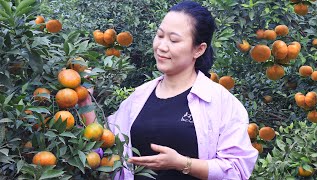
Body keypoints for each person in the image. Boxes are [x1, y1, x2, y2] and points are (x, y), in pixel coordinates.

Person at [83, 1, 258, 179]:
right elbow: (106, 144)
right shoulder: (139, 97)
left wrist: (182, 163)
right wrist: (85, 100)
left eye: (173, 40)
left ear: (199, 49)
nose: (162, 46)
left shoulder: (219, 102)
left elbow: (237, 170)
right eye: (160, 35)